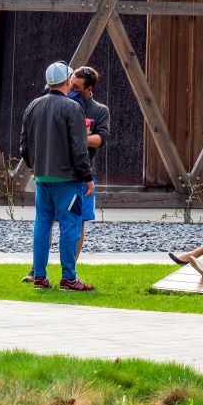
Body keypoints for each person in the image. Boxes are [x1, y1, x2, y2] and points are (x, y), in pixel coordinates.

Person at [20, 61, 95, 291]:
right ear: (67, 81)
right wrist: (87, 176)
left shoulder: (33, 106)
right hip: (67, 179)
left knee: (42, 224)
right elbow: (79, 147)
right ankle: (68, 278)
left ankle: (39, 277)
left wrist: (36, 167)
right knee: (69, 226)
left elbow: (24, 145)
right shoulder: (72, 108)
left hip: (42, 178)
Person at [69, 65, 110, 261]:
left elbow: (101, 139)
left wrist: (76, 138)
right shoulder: (64, 103)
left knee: (80, 221)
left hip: (85, 173)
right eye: (70, 84)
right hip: (60, 170)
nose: (71, 89)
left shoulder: (100, 110)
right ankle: (37, 271)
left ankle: (70, 271)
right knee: (48, 220)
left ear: (89, 89)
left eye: (76, 87)